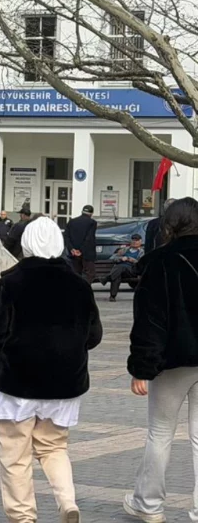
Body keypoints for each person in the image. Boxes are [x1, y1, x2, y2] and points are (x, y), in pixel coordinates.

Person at [0, 215, 101, 523]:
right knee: (54, 448)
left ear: (26, 244)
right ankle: (67, 501)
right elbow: (93, 335)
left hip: (17, 382)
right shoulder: (79, 286)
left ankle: (23, 517)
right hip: (64, 383)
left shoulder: (8, 283)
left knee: (15, 455)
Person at [125, 197, 198, 523]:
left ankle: (149, 505)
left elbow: (150, 320)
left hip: (173, 361)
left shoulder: (160, 262)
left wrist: (142, 367)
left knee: (160, 432)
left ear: (169, 225)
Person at [107, 234, 145, 302]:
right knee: (117, 275)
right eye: (133, 240)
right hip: (121, 271)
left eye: (137, 240)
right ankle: (112, 296)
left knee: (121, 267)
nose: (134, 242)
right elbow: (112, 258)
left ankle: (107, 278)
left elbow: (142, 263)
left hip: (132, 270)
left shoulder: (142, 252)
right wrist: (121, 258)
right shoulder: (124, 250)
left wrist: (133, 260)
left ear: (140, 242)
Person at [64, 205, 98, 282]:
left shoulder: (72, 221)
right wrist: (80, 250)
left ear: (82, 211)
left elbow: (66, 237)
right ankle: (85, 290)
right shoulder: (92, 223)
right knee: (90, 273)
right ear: (91, 213)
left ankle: (76, 291)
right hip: (87, 253)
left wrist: (72, 249)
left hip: (73, 254)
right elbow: (89, 238)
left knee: (76, 273)